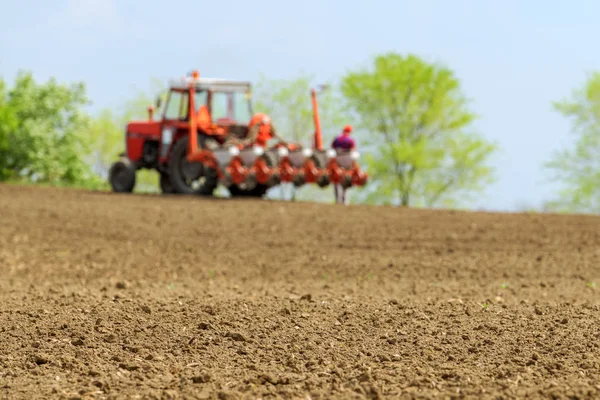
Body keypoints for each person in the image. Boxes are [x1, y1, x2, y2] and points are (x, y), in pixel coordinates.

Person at [331, 125, 356, 205]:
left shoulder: (337, 139)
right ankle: (344, 200)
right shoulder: (350, 140)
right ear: (349, 132)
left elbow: (332, 147)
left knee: (336, 179)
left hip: (337, 160)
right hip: (347, 161)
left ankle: (338, 200)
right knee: (347, 178)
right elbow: (353, 149)